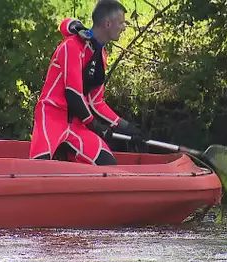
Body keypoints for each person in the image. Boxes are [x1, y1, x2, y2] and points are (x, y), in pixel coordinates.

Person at [29, 0, 145, 165]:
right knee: (39, 168)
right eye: (121, 23)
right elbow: (73, 94)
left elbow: (96, 102)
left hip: (77, 124)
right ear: (107, 23)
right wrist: (95, 126)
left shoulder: (101, 55)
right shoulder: (72, 46)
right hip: (52, 117)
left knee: (108, 165)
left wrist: (126, 127)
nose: (124, 27)